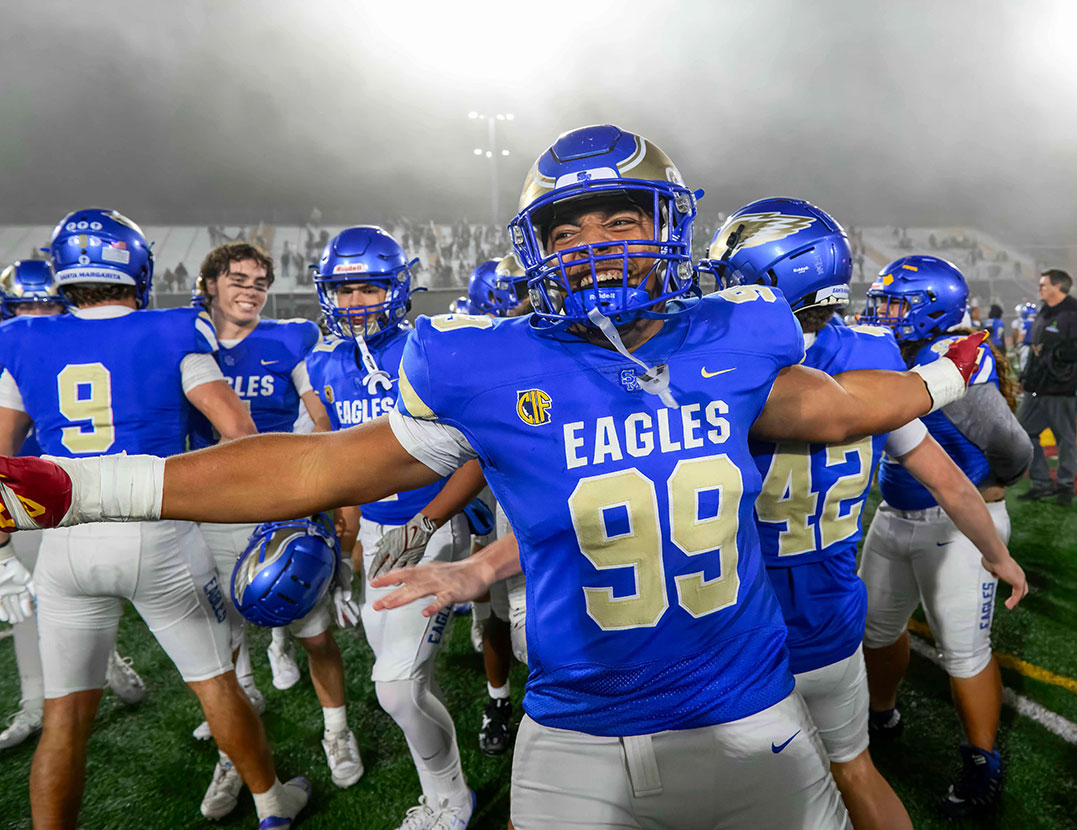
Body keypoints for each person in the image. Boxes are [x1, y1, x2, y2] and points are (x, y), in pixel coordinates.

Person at [0, 127, 989, 830]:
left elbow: (838, 408)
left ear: (670, 225)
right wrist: (88, 490)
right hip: (578, 736)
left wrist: (946, 374)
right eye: (567, 231)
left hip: (754, 719)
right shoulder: (488, 359)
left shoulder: (736, 332)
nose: (596, 246)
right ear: (534, 251)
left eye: (622, 218)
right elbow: (317, 462)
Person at [704, 201, 1027, 830]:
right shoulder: (873, 364)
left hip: (745, 618)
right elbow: (949, 480)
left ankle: (974, 753)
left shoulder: (727, 374)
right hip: (832, 612)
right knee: (853, 768)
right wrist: (999, 554)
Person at [0, 210, 308, 828]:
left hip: (65, 542)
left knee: (64, 719)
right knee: (216, 682)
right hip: (155, 530)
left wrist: (5, 554)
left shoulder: (23, 337)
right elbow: (239, 431)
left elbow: (4, 461)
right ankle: (272, 803)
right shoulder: (174, 328)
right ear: (137, 267)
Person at [306, 225, 478, 829]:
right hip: (378, 536)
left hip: (433, 529)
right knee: (402, 676)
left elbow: (479, 450)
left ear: (397, 289)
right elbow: (339, 465)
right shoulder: (323, 362)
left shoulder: (431, 348)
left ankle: (451, 801)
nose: (355, 303)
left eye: (370, 288)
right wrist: (345, 546)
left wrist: (427, 524)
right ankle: (440, 789)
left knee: (397, 685)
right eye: (344, 290)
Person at [188, 241, 362, 817]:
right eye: (239, 279)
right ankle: (234, 754)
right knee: (224, 645)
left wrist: (331, 490)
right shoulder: (186, 339)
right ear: (209, 283)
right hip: (214, 507)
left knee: (316, 633)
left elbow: (320, 415)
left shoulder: (290, 337)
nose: (252, 291)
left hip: (281, 500)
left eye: (260, 282)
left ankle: (336, 730)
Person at [858, 255, 1032, 818]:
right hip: (894, 516)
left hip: (957, 525)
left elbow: (1014, 447)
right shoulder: (890, 349)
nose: (881, 314)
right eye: (881, 302)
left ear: (932, 309)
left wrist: (993, 485)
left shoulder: (953, 360)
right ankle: (881, 713)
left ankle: (982, 760)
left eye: (894, 304)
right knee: (875, 630)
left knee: (964, 649)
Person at [0, 261, 146, 752]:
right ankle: (33, 703)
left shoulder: (64, 344)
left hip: (69, 489)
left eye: (46, 305)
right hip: (17, 492)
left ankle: (105, 658)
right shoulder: (13, 348)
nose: (36, 315)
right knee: (23, 603)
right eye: (25, 305)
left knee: (82, 590)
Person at [462, 254, 530, 757]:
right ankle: (498, 699)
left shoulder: (556, 338)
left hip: (532, 493)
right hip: (487, 487)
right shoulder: (472, 349)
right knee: (495, 611)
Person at [1016, 269, 1077, 506]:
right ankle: (1041, 481)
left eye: (1044, 284)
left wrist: (1052, 353)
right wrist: (1025, 377)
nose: (1040, 288)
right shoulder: (1044, 312)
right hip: (1036, 385)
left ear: (1058, 287)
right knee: (1023, 434)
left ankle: (1066, 486)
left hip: (1061, 386)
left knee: (1065, 439)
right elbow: (1035, 349)